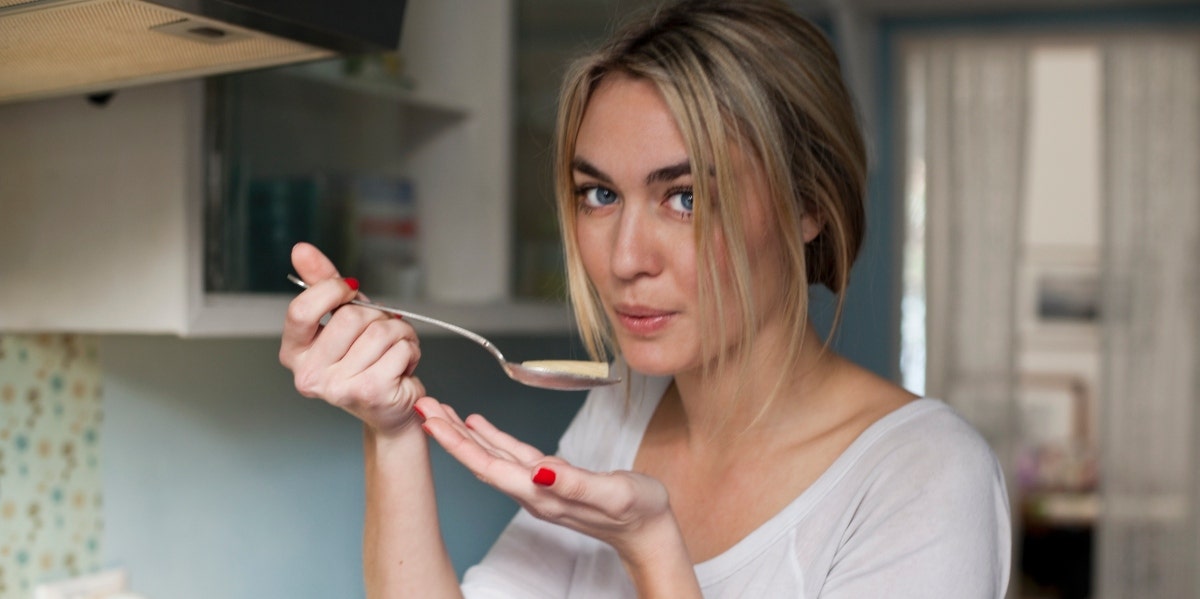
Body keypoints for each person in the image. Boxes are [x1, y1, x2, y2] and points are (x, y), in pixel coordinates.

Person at [279, 0, 1012, 596]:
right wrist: (392, 427)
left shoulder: (923, 474)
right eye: (599, 194)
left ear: (807, 204)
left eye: (686, 198)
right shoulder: (624, 409)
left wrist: (653, 549)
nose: (625, 259)